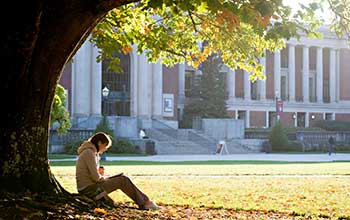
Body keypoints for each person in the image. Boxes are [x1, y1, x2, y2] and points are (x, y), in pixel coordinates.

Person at [75, 132, 161, 210]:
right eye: (105, 146)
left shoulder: (91, 152)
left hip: (89, 187)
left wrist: (103, 176)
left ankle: (146, 201)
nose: (105, 149)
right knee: (123, 180)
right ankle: (145, 203)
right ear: (99, 143)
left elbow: (94, 176)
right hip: (88, 190)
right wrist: (107, 178)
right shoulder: (89, 153)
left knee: (122, 179)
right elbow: (96, 178)